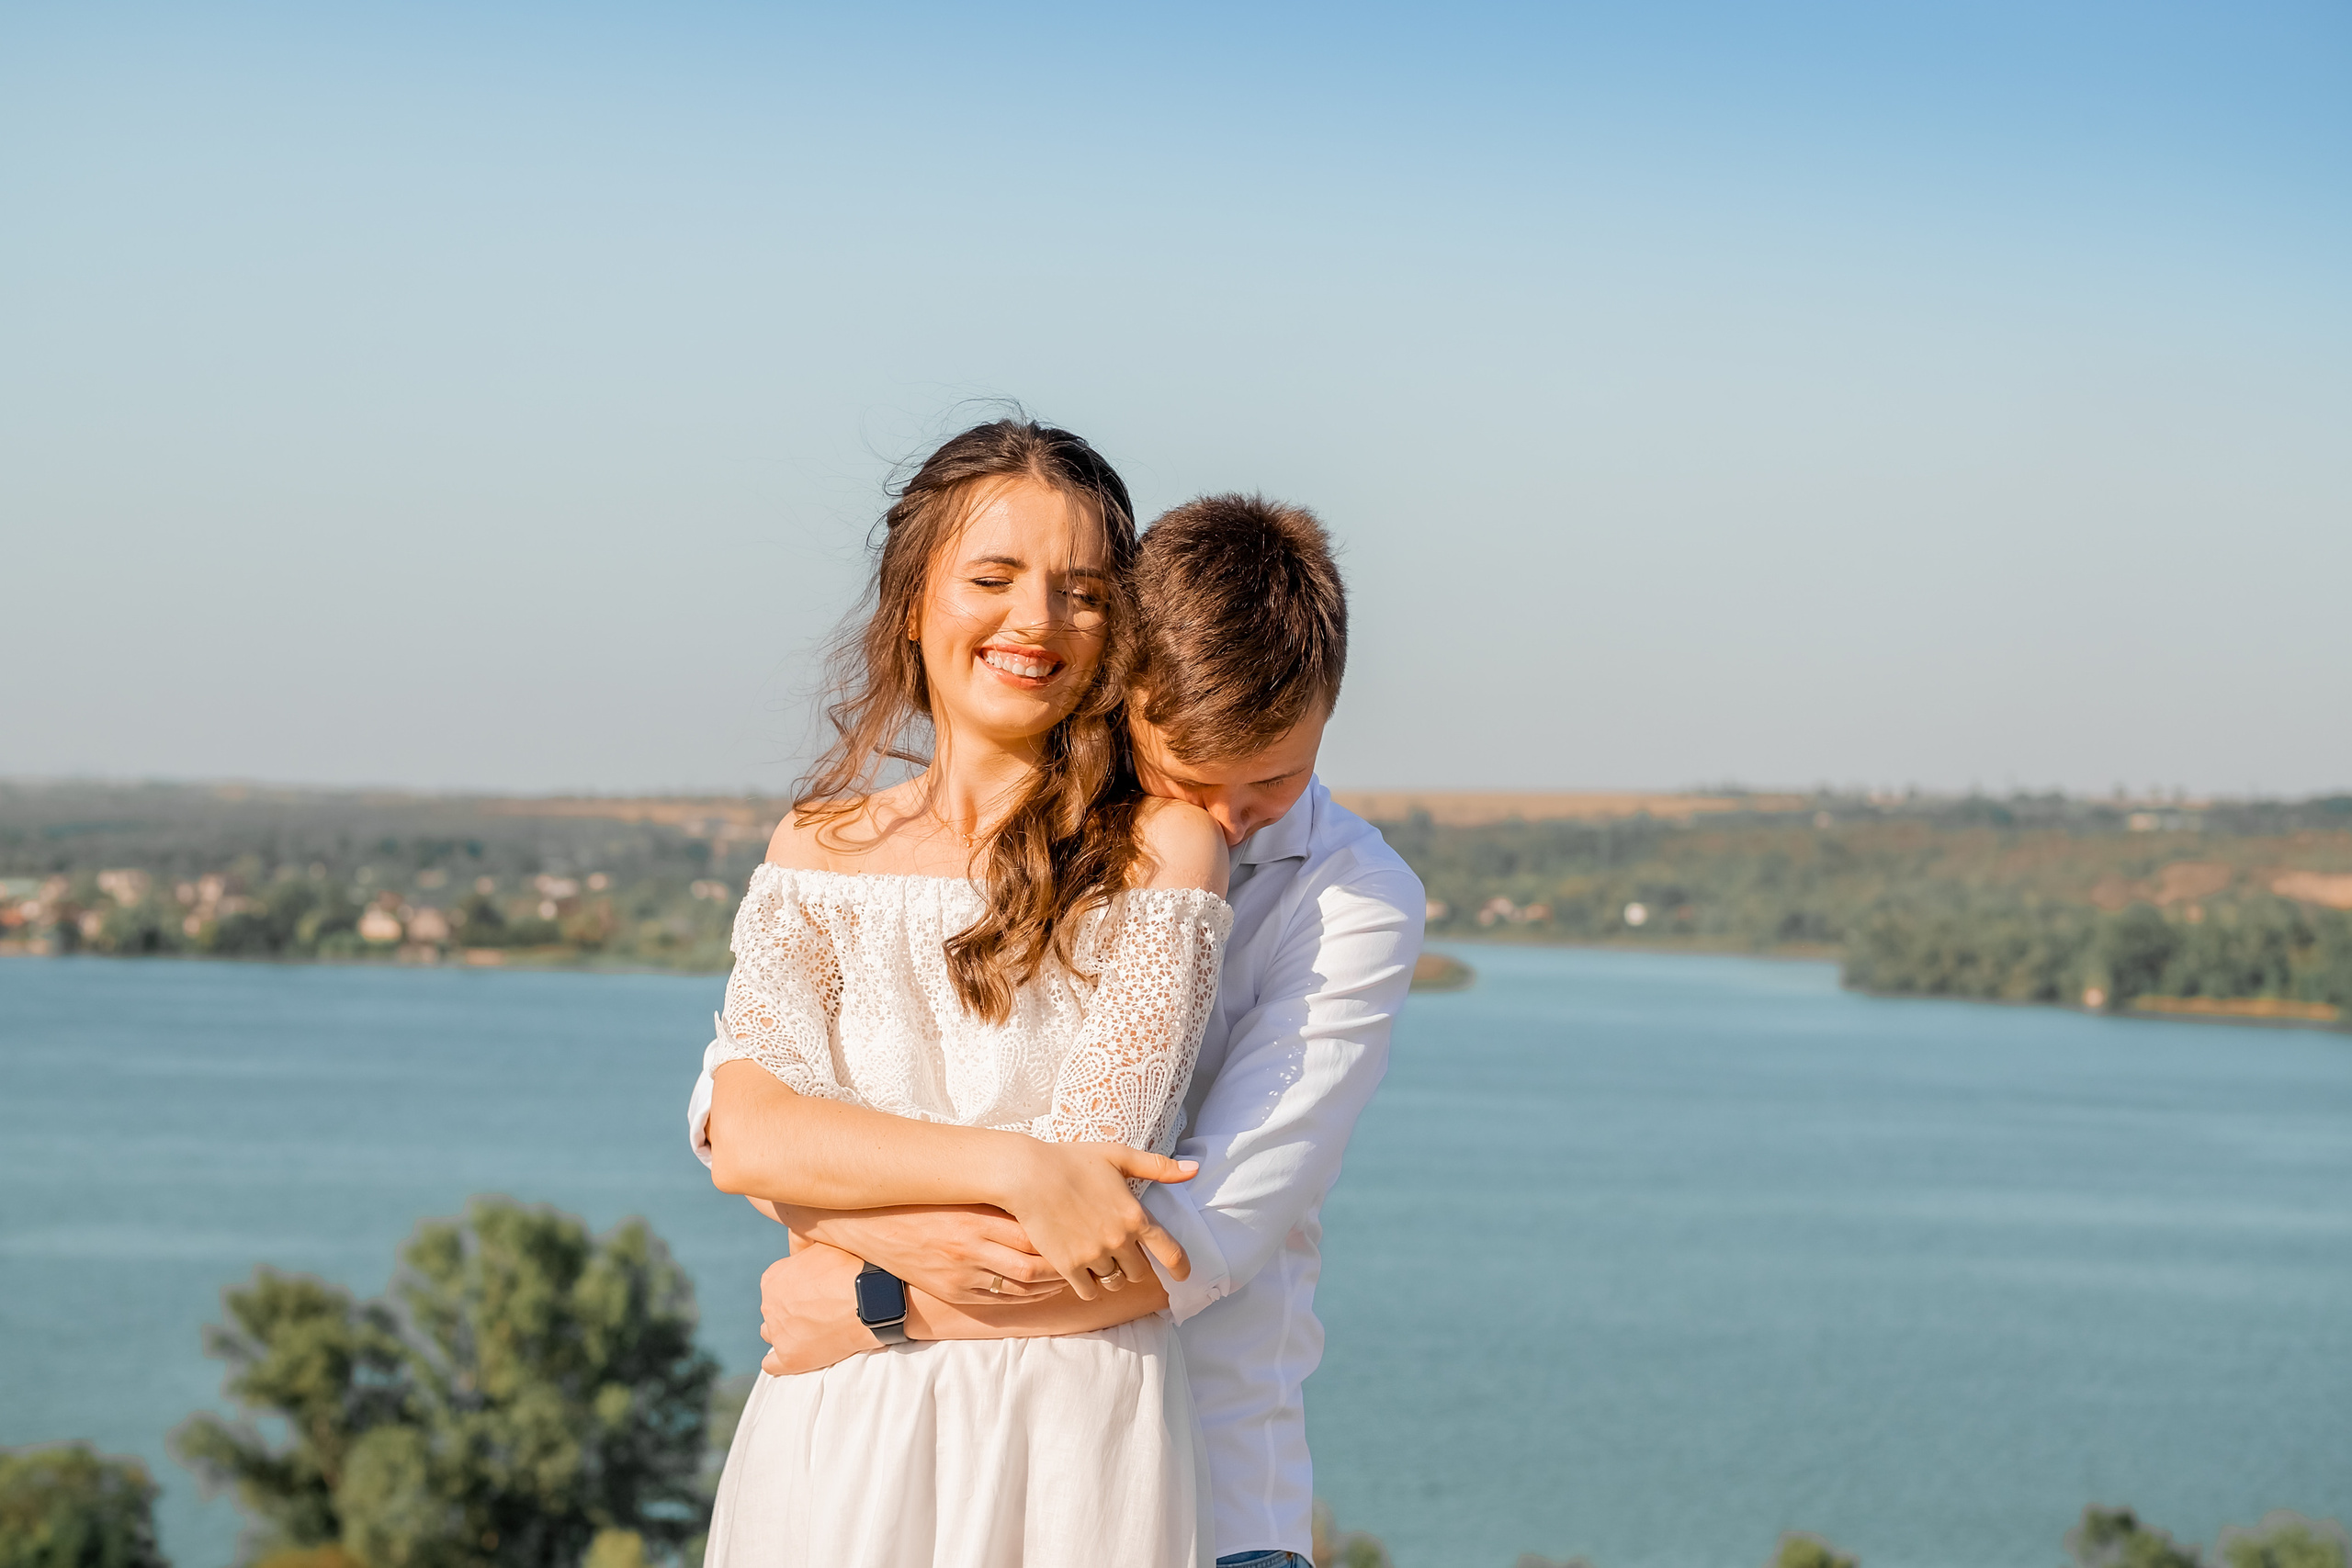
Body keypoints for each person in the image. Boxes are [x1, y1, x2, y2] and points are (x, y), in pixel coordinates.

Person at [692, 488, 1428, 1567]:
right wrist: (911, 1211)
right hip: (881, 1464)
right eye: (1189, 780)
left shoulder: (1356, 898)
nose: (1225, 821)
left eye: (1274, 780)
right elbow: (737, 1121)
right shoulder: (1034, 846)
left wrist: (875, 1296)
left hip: (1204, 1495)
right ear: (1130, 697)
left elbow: (1202, 1234)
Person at [696, 418, 1235, 1567]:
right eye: (991, 579)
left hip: (1064, 1429)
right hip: (835, 1422)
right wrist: (1011, 1165)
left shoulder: (1162, 852)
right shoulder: (817, 847)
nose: (1036, 623)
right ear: (911, 602)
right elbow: (745, 1138)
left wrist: (851, 1241)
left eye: (1084, 594)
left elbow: (1077, 1241)